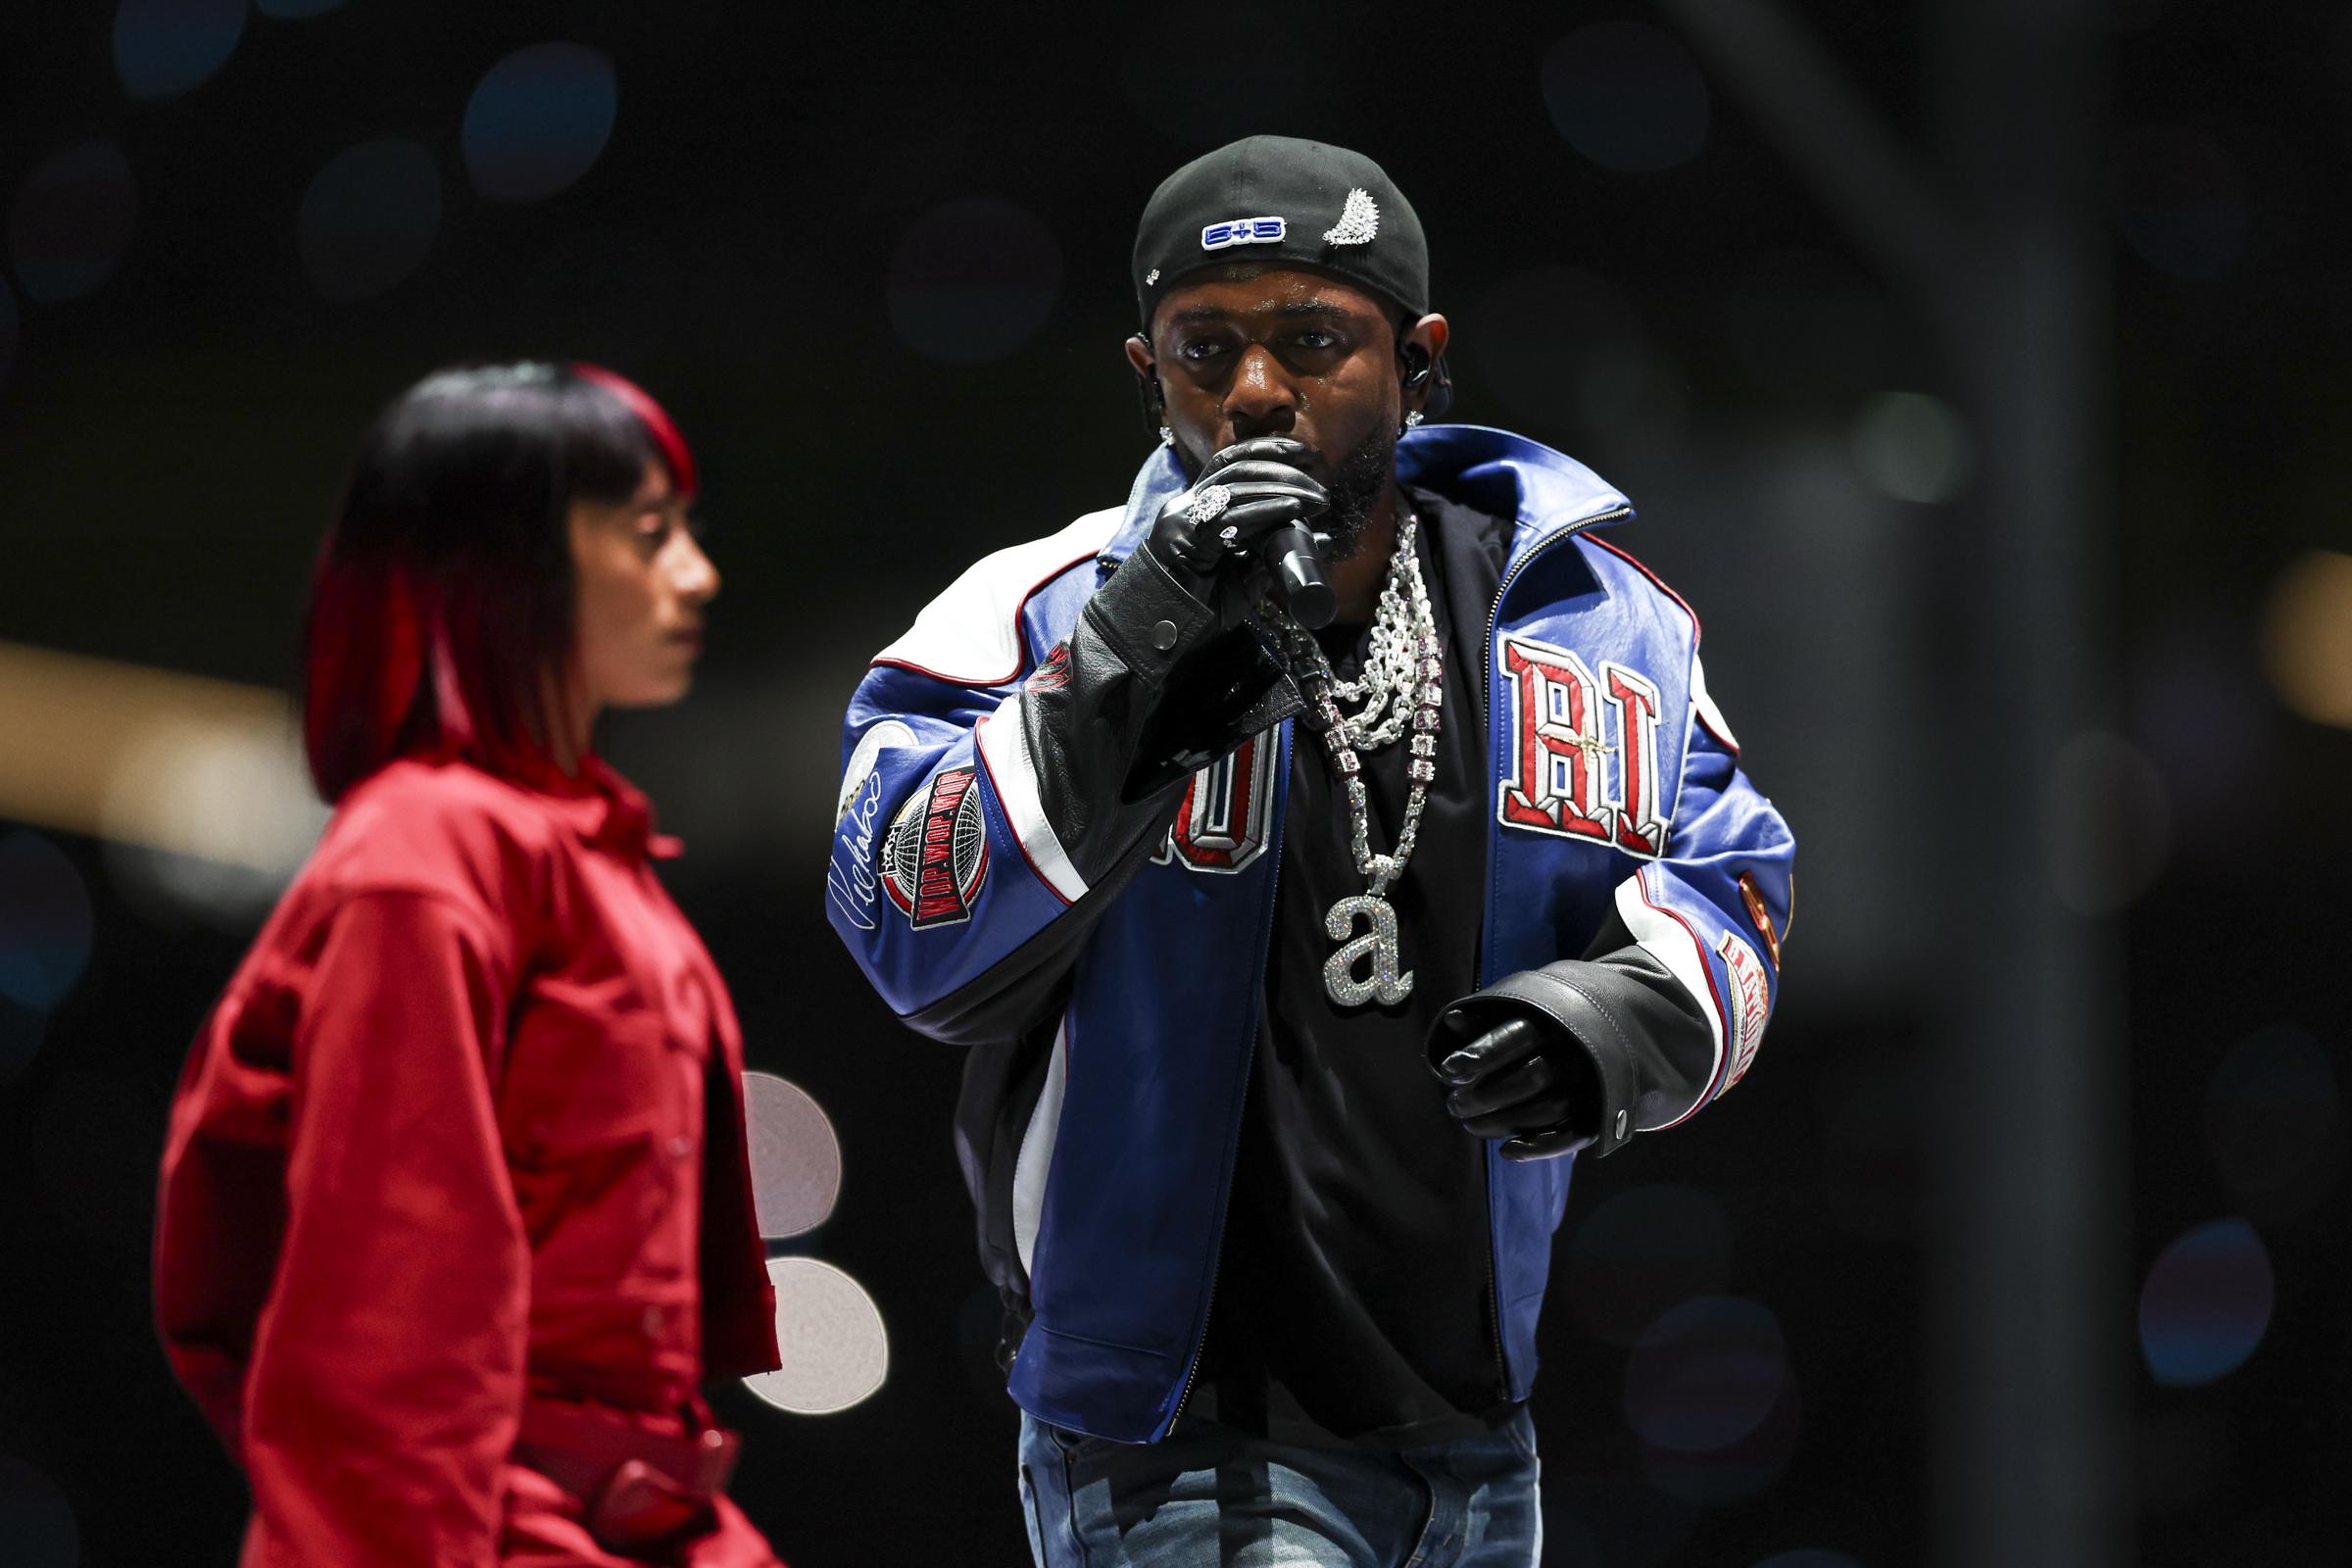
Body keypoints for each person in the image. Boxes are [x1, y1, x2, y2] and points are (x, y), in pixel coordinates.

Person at [828, 136, 1794, 1566]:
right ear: (1145, 374)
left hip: (1477, 1433)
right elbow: (906, 927)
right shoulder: (1031, 611)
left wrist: (1622, 1021)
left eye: (1312, 340)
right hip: (1181, 1435)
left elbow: (1738, 879)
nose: (1258, 391)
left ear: (1418, 358)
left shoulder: (1591, 618)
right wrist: (1125, 660)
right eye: (1205, 348)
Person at [155, 363, 786, 1568]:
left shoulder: (585, 848)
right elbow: (378, 1321)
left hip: (637, 1518)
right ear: (505, 565)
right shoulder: (426, 850)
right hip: (479, 1526)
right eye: (649, 535)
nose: (697, 575)